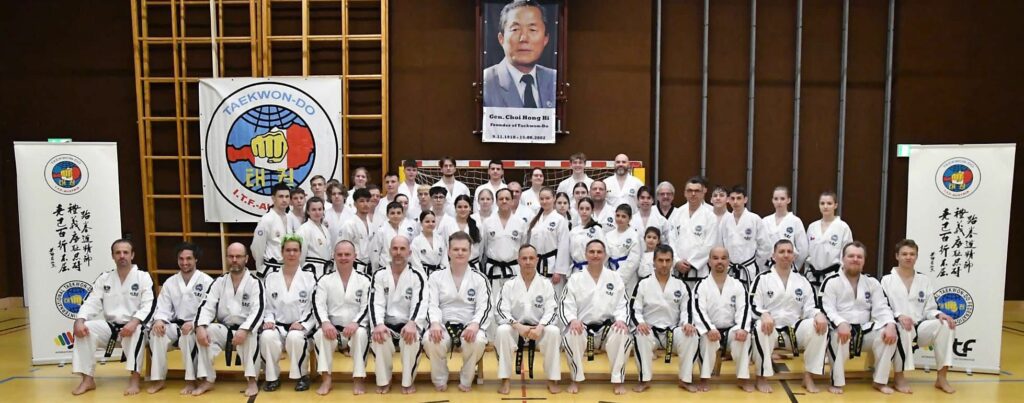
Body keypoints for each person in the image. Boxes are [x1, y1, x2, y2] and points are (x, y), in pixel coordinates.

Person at [71, 239, 155, 396]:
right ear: (113, 256)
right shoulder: (105, 278)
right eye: (118, 253)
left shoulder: (143, 277)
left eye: (125, 252)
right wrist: (80, 320)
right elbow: (91, 302)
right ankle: (87, 379)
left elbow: (149, 305)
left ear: (132, 255)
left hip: (136, 327)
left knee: (136, 330)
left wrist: (134, 322)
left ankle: (135, 379)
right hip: (111, 327)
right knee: (84, 329)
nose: (122, 256)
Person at [749, 240, 829, 394]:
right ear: (773, 256)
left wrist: (818, 315)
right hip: (770, 329)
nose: (786, 255)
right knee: (760, 326)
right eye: (781, 251)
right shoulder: (762, 279)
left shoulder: (802, 281)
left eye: (789, 252)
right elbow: (752, 306)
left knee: (820, 326)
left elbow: (810, 307)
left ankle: (808, 376)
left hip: (794, 330)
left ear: (793, 256)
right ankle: (761, 376)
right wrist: (763, 314)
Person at [819, 241, 899, 395]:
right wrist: (840, 323)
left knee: (888, 335)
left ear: (864, 260)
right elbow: (826, 308)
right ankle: (836, 381)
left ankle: (880, 381)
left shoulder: (872, 282)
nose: (855, 259)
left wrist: (890, 324)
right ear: (843, 259)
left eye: (859, 257)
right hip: (840, 329)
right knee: (837, 335)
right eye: (851, 256)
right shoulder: (831, 281)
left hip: (864, 330)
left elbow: (882, 307)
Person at [880, 239, 957, 394]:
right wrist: (899, 315)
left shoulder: (924, 280)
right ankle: (899, 376)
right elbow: (882, 307)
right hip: (896, 326)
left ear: (916, 256)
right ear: (897, 256)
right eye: (904, 254)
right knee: (904, 327)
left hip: (919, 326)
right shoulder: (886, 280)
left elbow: (930, 309)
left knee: (946, 325)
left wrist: (939, 314)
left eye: (912, 254)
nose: (908, 257)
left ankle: (941, 377)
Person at [423, 232, 492, 392]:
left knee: (478, 340)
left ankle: (467, 378)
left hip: (469, 326)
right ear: (448, 251)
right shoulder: (435, 277)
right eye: (456, 249)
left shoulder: (479, 278)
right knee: (430, 339)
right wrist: (434, 323)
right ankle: (440, 377)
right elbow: (430, 303)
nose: (460, 253)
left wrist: (475, 324)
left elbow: (485, 306)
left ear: (470, 252)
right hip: (442, 325)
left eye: (463, 249)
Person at [560, 240, 631, 395]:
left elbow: (623, 304)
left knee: (622, 332)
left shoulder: (615, 277)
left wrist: (621, 320)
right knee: (572, 333)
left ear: (605, 255)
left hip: (607, 328)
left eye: (599, 252)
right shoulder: (575, 279)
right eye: (591, 252)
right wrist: (572, 320)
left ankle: (618, 380)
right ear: (586, 254)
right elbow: (566, 303)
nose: (595, 255)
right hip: (583, 327)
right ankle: (575, 378)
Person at [194, 243, 265, 397]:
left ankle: (252, 380)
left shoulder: (255, 283)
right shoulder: (219, 282)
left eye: (238, 256)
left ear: (246, 259)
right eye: (231, 256)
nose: (234, 260)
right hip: (225, 328)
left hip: (247, 328)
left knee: (250, 336)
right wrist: (200, 326)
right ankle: (208, 379)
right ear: (226, 258)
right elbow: (206, 306)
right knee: (205, 331)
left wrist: (245, 329)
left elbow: (258, 310)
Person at [147, 242, 214, 395]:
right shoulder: (170, 282)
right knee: (156, 333)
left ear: (196, 259)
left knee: (187, 336)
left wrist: (194, 323)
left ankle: (191, 381)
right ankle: (158, 379)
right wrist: (159, 320)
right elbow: (163, 307)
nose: (185, 263)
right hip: (175, 324)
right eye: (181, 259)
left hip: (196, 325)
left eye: (189, 259)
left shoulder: (206, 281)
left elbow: (210, 308)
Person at [495, 244, 561, 394]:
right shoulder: (509, 284)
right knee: (502, 331)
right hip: (516, 328)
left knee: (554, 331)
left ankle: (552, 378)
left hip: (538, 329)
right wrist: (518, 326)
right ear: (518, 260)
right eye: (524, 258)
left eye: (531, 258)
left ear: (537, 260)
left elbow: (552, 309)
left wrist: (540, 327)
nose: (528, 262)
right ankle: (505, 379)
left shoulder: (546, 284)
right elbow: (501, 310)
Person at [629, 244, 696, 393]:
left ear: (673, 262)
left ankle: (685, 379)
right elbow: (635, 310)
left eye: (667, 260)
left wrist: (687, 324)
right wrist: (640, 323)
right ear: (653, 261)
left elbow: (687, 310)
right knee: (640, 334)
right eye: (660, 260)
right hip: (650, 330)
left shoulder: (681, 285)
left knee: (691, 334)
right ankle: (644, 379)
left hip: (672, 331)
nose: (664, 264)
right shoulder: (643, 284)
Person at [688, 246, 754, 392]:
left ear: (728, 261)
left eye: (723, 258)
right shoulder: (701, 285)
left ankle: (743, 377)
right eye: (715, 258)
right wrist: (709, 328)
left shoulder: (738, 285)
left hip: (731, 328)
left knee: (744, 336)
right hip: (710, 328)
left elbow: (744, 309)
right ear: (709, 262)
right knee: (707, 338)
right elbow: (698, 310)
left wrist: (742, 328)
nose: (720, 261)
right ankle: (705, 378)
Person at [312, 240, 373, 395]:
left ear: (355, 256)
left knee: (360, 334)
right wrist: (325, 323)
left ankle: (358, 379)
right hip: (333, 328)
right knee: (320, 334)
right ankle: (326, 380)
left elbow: (367, 305)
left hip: (355, 327)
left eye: (347, 254)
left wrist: (356, 323)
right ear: (334, 256)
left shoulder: (364, 280)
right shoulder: (325, 280)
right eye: (340, 254)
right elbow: (318, 304)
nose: (343, 257)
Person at [369, 236, 427, 394]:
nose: (398, 252)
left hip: (408, 323)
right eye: (395, 248)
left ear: (409, 252)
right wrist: (378, 324)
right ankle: (383, 380)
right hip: (386, 323)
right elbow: (376, 303)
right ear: (389, 251)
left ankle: (407, 381)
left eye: (402, 249)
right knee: (378, 337)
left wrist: (413, 323)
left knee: (412, 338)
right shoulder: (379, 275)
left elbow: (420, 302)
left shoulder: (417, 276)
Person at [259, 235, 318, 392]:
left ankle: (301, 376)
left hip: (301, 327)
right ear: (282, 252)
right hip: (277, 326)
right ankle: (272, 377)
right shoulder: (271, 278)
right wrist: (269, 320)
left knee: (295, 337)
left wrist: (303, 324)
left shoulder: (309, 277)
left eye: (295, 250)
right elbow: (266, 306)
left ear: (300, 253)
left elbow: (314, 307)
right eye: (288, 250)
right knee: (266, 336)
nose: (291, 254)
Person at [482, 0, 556, 109]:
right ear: (501, 39)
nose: (523, 38)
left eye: (532, 29)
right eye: (515, 29)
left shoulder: (554, 79)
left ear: (545, 39)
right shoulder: (486, 81)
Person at [481, 188, 527, 326]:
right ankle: (493, 336)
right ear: (496, 201)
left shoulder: (520, 223)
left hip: (514, 268)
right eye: (501, 199)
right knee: (494, 302)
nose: (504, 201)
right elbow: (483, 249)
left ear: (513, 201)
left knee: (514, 302)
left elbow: (524, 249)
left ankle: (515, 334)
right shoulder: (488, 222)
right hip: (493, 269)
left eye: (507, 198)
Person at [667, 177, 719, 286]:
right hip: (678, 270)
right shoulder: (677, 214)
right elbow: (671, 240)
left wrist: (691, 263)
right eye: (690, 191)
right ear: (685, 193)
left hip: (699, 271)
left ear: (703, 193)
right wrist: (676, 261)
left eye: (697, 191)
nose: (693, 194)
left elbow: (710, 245)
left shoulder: (710, 216)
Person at [720, 185, 772, 285]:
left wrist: (757, 264)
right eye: (732, 198)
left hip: (749, 269)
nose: (735, 202)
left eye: (739, 198)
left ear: (745, 199)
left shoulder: (754, 219)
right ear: (728, 200)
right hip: (729, 270)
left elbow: (765, 246)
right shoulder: (725, 220)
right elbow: (720, 245)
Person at [805, 191, 853, 289]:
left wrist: (842, 276)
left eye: (829, 203)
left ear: (835, 205)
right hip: (813, 277)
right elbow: (807, 253)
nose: (825, 206)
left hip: (834, 276)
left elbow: (847, 253)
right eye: (822, 203)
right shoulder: (812, 227)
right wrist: (806, 272)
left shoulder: (843, 227)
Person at [252, 182, 298, 278]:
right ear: (273, 198)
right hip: (271, 268)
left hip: (287, 268)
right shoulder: (266, 219)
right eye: (280, 196)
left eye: (287, 196)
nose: (284, 200)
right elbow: (257, 247)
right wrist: (260, 267)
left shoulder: (290, 218)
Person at [524, 187, 570, 280]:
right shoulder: (535, 219)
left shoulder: (559, 219)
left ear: (554, 199)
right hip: (536, 265)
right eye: (542, 199)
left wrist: (559, 271)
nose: (544, 201)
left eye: (547, 198)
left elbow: (563, 246)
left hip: (553, 267)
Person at [761, 186, 808, 269]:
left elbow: (803, 250)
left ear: (788, 200)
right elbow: (761, 247)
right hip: (768, 267)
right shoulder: (765, 221)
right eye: (776, 199)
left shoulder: (795, 221)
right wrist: (762, 267)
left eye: (782, 199)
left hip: (788, 266)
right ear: (772, 200)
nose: (779, 202)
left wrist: (795, 268)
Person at [561, 197, 604, 280]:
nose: (584, 211)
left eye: (587, 209)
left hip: (592, 270)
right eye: (581, 209)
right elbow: (568, 254)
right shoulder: (573, 231)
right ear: (578, 210)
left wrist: (597, 268)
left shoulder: (597, 230)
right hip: (576, 270)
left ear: (592, 210)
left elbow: (605, 253)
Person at [336, 188, 377, 274]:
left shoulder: (371, 223)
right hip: (353, 267)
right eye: (361, 201)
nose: (365, 204)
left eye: (368, 201)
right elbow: (341, 249)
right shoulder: (349, 224)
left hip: (369, 267)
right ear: (355, 204)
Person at [440, 195, 484, 271]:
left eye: (465, 207)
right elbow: (444, 247)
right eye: (459, 207)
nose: (462, 209)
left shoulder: (477, 225)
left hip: (473, 266)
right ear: (455, 208)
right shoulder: (448, 225)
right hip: (453, 266)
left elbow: (481, 248)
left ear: (470, 208)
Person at [606, 204, 643, 292]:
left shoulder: (634, 236)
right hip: (610, 272)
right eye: (618, 216)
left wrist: (620, 277)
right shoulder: (608, 235)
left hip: (628, 276)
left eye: (623, 216)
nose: (620, 219)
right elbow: (605, 256)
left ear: (629, 219)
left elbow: (633, 260)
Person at [371, 201, 418, 270]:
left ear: (402, 214)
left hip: (405, 266)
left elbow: (412, 249)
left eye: (398, 213)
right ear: (387, 215)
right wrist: (374, 270)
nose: (396, 216)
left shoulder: (408, 230)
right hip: (386, 266)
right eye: (392, 213)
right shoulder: (381, 231)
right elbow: (375, 252)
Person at [299, 196, 333, 278]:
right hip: (310, 271)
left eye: (320, 209)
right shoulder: (304, 229)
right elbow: (300, 256)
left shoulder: (324, 229)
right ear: (308, 211)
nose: (317, 212)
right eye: (313, 210)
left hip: (325, 270)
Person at [412, 210, 447, 274]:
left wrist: (442, 273)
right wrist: (424, 277)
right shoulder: (416, 241)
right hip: (423, 273)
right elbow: (416, 264)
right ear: (421, 223)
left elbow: (444, 260)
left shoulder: (440, 239)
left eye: (433, 221)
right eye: (427, 221)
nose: (431, 224)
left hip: (439, 274)